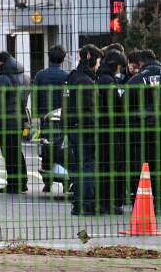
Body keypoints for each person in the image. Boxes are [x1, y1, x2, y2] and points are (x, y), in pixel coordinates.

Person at [126, 50, 161, 216]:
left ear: (142, 63)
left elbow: (127, 104)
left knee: (153, 163)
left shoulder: (138, 78)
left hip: (150, 127)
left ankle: (157, 205)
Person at [66, 44, 103, 216]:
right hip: (86, 129)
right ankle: (87, 204)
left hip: (74, 127)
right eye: (98, 61)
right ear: (90, 56)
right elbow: (88, 110)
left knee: (79, 166)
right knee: (89, 165)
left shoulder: (74, 77)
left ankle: (77, 203)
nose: (98, 65)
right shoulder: (85, 80)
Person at [0, 51, 30, 194]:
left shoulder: (3, 79)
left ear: (0, 63)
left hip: (6, 121)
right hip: (20, 120)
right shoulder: (25, 77)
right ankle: (22, 181)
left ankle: (13, 184)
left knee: (8, 152)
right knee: (16, 150)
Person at [95, 50, 127, 215]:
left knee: (104, 165)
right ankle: (106, 202)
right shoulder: (108, 80)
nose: (119, 71)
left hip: (103, 128)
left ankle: (103, 201)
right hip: (109, 129)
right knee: (108, 166)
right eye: (119, 67)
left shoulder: (101, 77)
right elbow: (114, 106)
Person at [32, 45, 69, 130]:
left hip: (44, 115)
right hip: (61, 117)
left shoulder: (40, 75)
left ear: (48, 58)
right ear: (63, 59)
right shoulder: (67, 76)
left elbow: (34, 95)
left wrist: (37, 111)